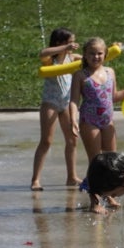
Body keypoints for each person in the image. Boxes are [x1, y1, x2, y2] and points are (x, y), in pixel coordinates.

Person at [70, 37, 124, 213]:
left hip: (107, 121)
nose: (96, 57)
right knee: (96, 162)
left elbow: (114, 97)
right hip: (89, 121)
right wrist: (73, 119)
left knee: (112, 161)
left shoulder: (110, 72)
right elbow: (74, 101)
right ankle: (94, 201)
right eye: (92, 53)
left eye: (99, 53)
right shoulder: (80, 75)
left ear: (105, 54)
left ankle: (109, 194)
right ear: (85, 55)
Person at [30, 28, 80, 192]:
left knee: (72, 140)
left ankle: (71, 177)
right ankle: (35, 179)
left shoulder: (72, 58)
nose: (73, 45)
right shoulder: (50, 60)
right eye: (70, 41)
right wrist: (65, 48)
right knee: (46, 141)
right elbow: (42, 53)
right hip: (50, 103)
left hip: (66, 103)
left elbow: (90, 58)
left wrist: (113, 49)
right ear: (60, 43)